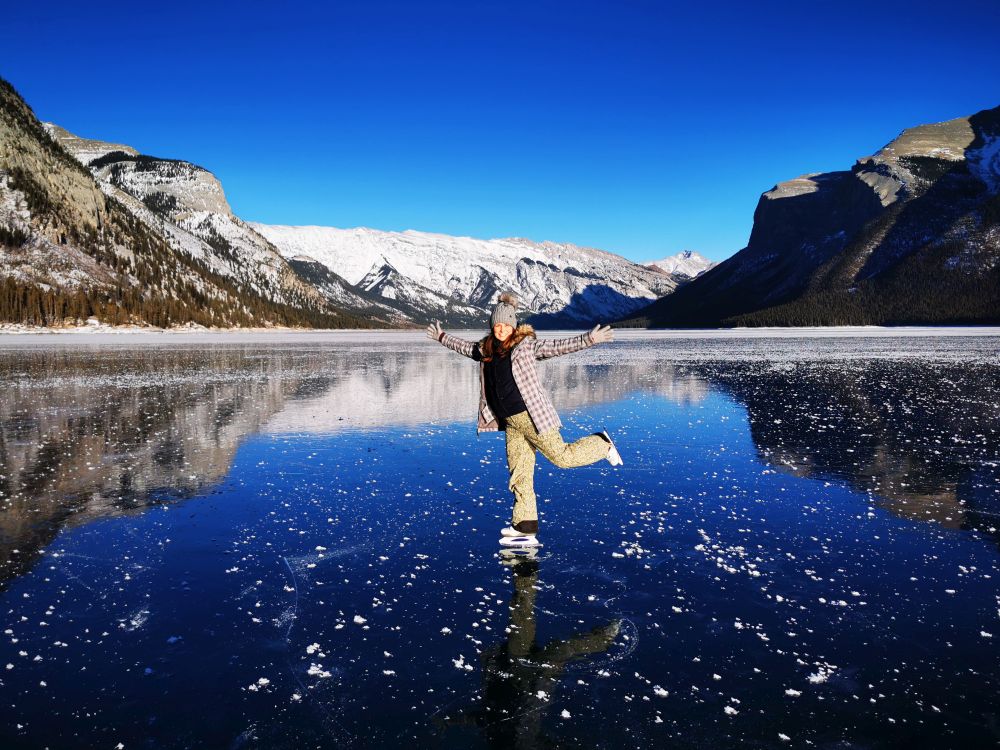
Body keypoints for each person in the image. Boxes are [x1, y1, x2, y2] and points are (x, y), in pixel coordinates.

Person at [426, 291, 622, 548]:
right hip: (510, 422)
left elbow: (556, 347)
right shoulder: (486, 350)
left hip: (532, 417)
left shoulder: (525, 346)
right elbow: (464, 347)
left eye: (506, 325)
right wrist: (441, 337)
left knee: (562, 457)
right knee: (519, 473)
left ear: (514, 326)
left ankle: (601, 443)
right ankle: (524, 526)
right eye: (497, 325)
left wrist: (589, 339)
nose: (501, 329)